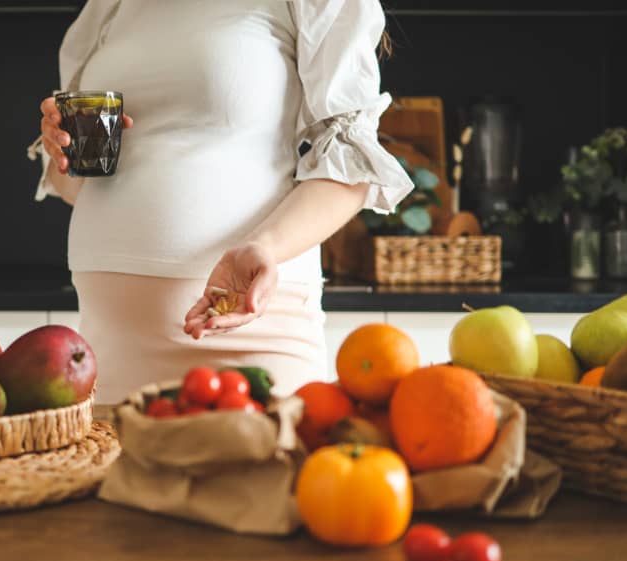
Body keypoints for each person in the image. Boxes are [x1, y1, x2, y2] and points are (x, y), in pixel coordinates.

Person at [27, 0, 413, 404]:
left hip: (249, 334)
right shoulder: (110, 7)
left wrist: (265, 247)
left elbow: (350, 170)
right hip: (108, 347)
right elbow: (78, 188)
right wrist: (63, 149)